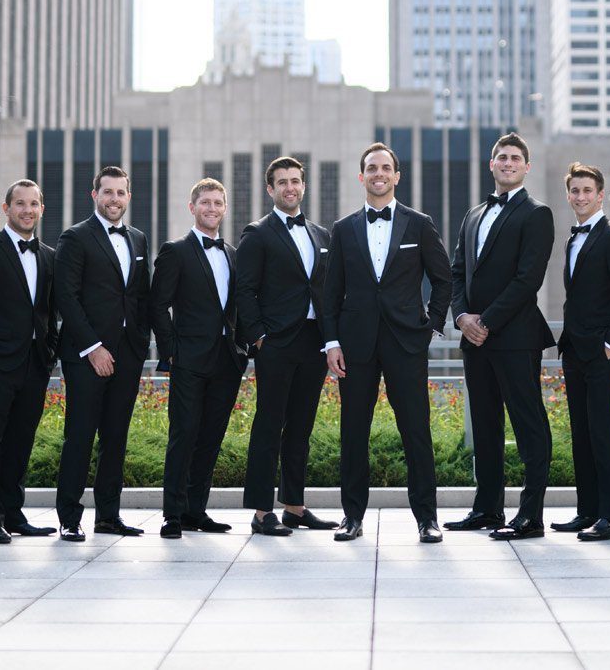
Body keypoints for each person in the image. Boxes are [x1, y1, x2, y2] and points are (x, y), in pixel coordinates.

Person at [321, 143, 451, 543]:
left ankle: (427, 519)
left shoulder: (419, 223)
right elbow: (330, 293)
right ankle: (352, 518)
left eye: (386, 168)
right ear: (361, 177)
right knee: (353, 432)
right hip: (355, 345)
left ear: (397, 176)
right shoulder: (342, 230)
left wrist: (430, 325)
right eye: (371, 168)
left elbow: (444, 278)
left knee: (416, 431)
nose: (379, 174)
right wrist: (331, 342)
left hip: (405, 342)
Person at [447, 132, 554, 540]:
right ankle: (487, 509)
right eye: (501, 158)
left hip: (515, 337)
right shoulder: (473, 214)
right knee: (485, 426)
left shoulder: (537, 213)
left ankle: (530, 516)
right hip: (474, 338)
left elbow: (529, 280)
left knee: (529, 427)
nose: (507, 163)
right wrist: (461, 318)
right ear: (491, 165)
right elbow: (458, 272)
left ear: (526, 167)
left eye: (515, 158)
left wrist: (485, 321)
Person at [237, 157, 338, 536]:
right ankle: (263, 511)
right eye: (282, 182)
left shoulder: (321, 234)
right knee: (268, 425)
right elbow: (244, 289)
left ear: (303, 186)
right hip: (276, 343)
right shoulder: (257, 233)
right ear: (270, 189)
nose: (290, 188)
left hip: (313, 343)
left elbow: (326, 291)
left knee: (300, 427)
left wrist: (332, 340)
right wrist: (259, 336)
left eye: (295, 181)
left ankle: (294, 506)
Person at [54, 166, 151, 541]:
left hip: (127, 354)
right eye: (107, 192)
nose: (114, 199)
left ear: (129, 196)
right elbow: (66, 297)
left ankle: (108, 516)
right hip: (87, 354)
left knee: (116, 437)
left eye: (121, 193)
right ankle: (69, 517)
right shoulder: (75, 237)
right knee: (79, 436)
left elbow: (141, 295)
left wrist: (139, 345)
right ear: (94, 195)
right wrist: (93, 348)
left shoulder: (139, 239)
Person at [0, 180, 60, 543]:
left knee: (21, 441)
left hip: (35, 366)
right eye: (20, 203)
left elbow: (51, 313)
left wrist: (49, 354)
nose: (27, 210)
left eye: (34, 204)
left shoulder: (49, 256)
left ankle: (13, 513)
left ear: (41, 209)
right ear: (6, 209)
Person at [150, 179, 247, 539]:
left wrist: (246, 347)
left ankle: (196, 511)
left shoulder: (234, 254)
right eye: (205, 202)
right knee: (184, 435)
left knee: (210, 438)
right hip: (188, 359)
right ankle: (172, 514)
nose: (211, 208)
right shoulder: (175, 251)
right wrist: (170, 352)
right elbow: (158, 305)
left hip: (226, 360)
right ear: (192, 208)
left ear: (224, 208)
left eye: (217, 203)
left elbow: (239, 308)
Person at [552, 163, 610, 541]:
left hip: (602, 352)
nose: (581, 196)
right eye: (575, 190)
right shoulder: (574, 237)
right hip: (574, 350)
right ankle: (586, 510)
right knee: (581, 433)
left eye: (588, 190)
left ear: (601, 195)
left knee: (603, 432)